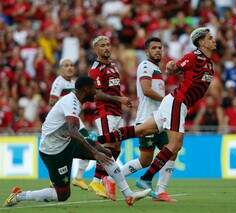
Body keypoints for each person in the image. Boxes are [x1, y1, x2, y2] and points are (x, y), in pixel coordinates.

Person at [99, 27, 216, 193]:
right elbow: (174, 68)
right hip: (177, 102)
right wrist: (171, 66)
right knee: (174, 145)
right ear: (202, 42)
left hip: (174, 104)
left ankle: (97, 139)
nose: (213, 40)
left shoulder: (209, 64)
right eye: (210, 38)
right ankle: (146, 179)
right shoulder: (193, 56)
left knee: (141, 132)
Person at [3, 76, 150, 207]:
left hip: (66, 142)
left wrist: (98, 146)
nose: (96, 92)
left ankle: (128, 194)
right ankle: (20, 195)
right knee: (62, 195)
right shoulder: (71, 103)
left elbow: (81, 131)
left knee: (106, 153)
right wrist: (94, 152)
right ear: (86, 89)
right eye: (94, 88)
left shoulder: (76, 103)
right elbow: (73, 131)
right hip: (53, 151)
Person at [120, 37, 177, 202]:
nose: (158, 50)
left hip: (159, 120)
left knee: (171, 151)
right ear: (147, 51)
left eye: (160, 48)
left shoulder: (157, 69)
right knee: (145, 161)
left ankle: (160, 191)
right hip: (146, 120)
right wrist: (168, 99)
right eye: (154, 48)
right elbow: (146, 90)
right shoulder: (145, 66)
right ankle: (112, 177)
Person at [88, 36, 132, 200]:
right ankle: (96, 180)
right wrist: (119, 99)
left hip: (117, 111)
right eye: (102, 45)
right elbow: (96, 93)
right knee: (107, 145)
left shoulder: (113, 67)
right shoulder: (96, 69)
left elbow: (114, 90)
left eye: (108, 45)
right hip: (105, 112)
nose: (107, 47)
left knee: (117, 148)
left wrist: (123, 98)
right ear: (96, 49)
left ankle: (103, 178)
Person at [49, 58, 91, 191]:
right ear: (60, 69)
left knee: (89, 143)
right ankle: (57, 178)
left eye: (72, 65)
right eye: (66, 65)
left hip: (75, 120)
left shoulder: (74, 83)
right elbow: (52, 102)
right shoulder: (59, 82)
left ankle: (78, 177)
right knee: (73, 148)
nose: (69, 68)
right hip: (65, 122)